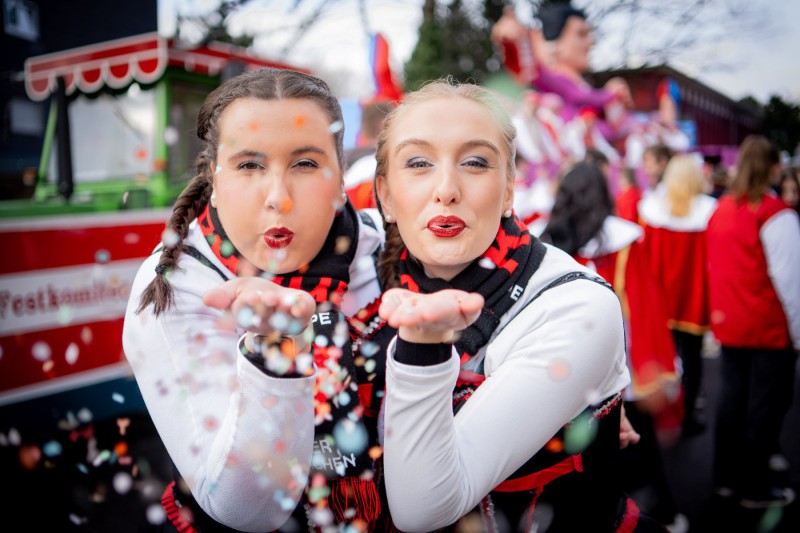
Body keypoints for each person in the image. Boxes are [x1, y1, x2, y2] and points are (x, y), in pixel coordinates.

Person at [372, 79, 655, 532]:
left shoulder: (575, 306)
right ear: (385, 195)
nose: (446, 189)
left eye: (475, 162)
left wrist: (422, 346)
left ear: (508, 191)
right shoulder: (363, 267)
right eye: (419, 162)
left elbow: (422, 509)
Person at [122, 68, 388, 532]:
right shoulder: (174, 289)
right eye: (249, 165)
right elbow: (246, 508)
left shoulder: (382, 248)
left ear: (341, 177)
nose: (279, 198)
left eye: (306, 164)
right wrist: (274, 350)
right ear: (215, 179)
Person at [540, 162, 686, 532]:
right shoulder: (623, 242)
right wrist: (654, 368)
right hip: (616, 368)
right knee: (636, 448)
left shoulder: (545, 241)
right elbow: (642, 310)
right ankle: (657, 515)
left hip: (561, 369)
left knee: (576, 461)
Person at [707, 134, 800, 509]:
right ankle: (755, 487)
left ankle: (725, 480)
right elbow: (790, 282)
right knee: (763, 410)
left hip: (732, 323)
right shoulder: (776, 213)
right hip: (766, 326)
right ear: (773, 166)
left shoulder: (722, 208)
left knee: (731, 404)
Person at [638, 154, 717, 438]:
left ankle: (660, 415)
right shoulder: (709, 211)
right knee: (692, 360)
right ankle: (685, 417)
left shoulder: (651, 209)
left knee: (661, 358)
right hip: (692, 298)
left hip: (659, 299)